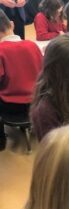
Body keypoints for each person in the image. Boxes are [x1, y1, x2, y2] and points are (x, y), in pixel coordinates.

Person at [0, 9, 43, 151]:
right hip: (37, 103)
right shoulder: (32, 45)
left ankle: (1, 141)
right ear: (12, 24)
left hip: (12, 108)